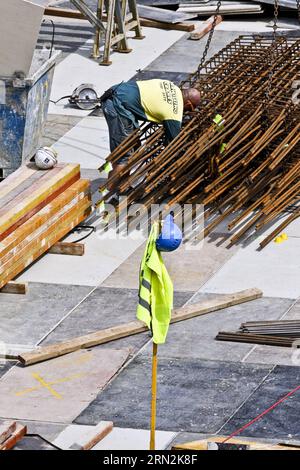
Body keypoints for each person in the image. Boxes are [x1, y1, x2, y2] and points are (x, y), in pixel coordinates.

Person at [101, 79, 201, 183]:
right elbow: (174, 143)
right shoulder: (174, 112)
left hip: (118, 91)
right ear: (188, 103)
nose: (188, 112)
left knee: (134, 146)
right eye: (190, 109)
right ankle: (112, 191)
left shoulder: (173, 86)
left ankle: (121, 184)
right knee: (124, 155)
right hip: (116, 104)